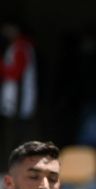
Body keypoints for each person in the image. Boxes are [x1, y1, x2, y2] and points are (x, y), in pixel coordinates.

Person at [0, 22, 37, 158]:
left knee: (15, 136)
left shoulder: (21, 47)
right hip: (16, 99)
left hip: (18, 101)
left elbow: (15, 73)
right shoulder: (17, 46)